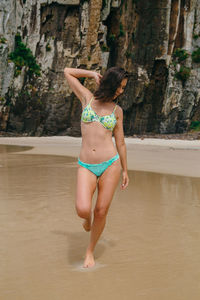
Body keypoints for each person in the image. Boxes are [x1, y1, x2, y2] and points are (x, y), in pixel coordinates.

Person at [64, 66, 129, 268]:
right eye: (119, 86)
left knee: (101, 210)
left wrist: (126, 170)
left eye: (123, 88)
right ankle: (86, 220)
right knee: (83, 209)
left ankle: (89, 252)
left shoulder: (117, 111)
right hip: (86, 165)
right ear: (110, 82)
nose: (121, 91)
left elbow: (120, 142)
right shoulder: (86, 98)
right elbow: (67, 71)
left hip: (111, 164)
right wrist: (91, 74)